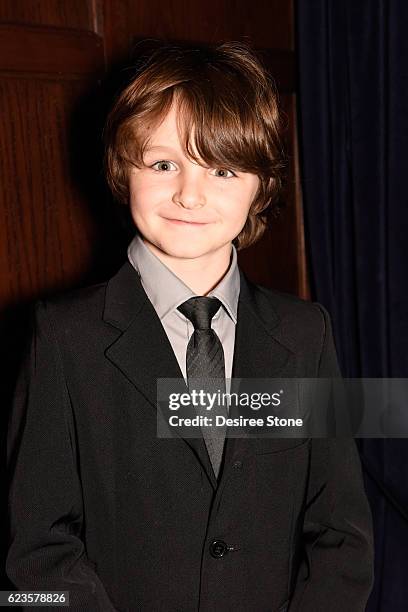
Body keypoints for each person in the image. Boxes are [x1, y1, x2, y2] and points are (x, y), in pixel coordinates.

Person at [6, 41, 374, 611]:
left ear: (261, 185)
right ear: (121, 169)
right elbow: (35, 554)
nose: (189, 193)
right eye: (162, 164)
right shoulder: (61, 337)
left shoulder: (306, 334)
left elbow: (341, 535)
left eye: (223, 168)